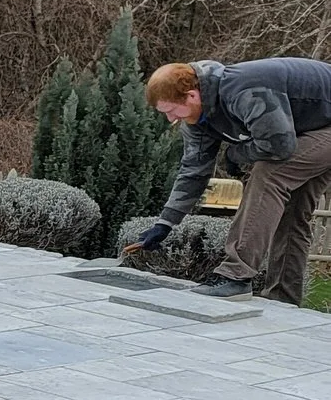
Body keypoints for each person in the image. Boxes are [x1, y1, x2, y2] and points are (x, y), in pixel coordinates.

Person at [126, 58, 331, 301]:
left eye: (171, 110)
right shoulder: (197, 119)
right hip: (314, 128)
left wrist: (237, 153)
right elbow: (194, 171)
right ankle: (283, 297)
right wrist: (166, 223)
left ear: (191, 96)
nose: (171, 118)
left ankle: (235, 276)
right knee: (292, 208)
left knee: (270, 174)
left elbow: (279, 146)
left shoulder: (244, 89)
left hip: (319, 130)